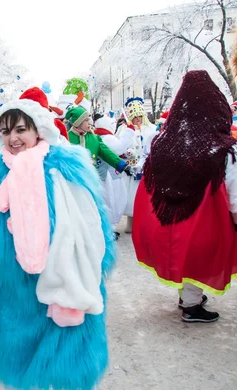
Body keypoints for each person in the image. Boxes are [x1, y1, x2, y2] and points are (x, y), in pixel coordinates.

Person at [0, 89, 115, 390]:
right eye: (5, 132)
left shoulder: (67, 168)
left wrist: (87, 274)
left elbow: (93, 226)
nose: (13, 139)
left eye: (20, 130)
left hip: (66, 289)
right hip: (16, 292)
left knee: (71, 378)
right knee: (23, 378)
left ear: (38, 129)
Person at [133, 70, 237, 323]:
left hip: (169, 215)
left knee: (182, 254)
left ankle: (188, 297)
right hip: (206, 216)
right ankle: (190, 306)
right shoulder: (222, 148)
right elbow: (233, 185)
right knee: (199, 255)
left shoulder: (162, 143)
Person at [118, 97, 156, 233]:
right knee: (130, 197)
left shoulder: (150, 130)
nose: (137, 119)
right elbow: (120, 147)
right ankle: (130, 222)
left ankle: (144, 223)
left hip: (145, 168)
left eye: (139, 116)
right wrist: (127, 153)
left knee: (144, 197)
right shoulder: (125, 130)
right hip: (131, 169)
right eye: (135, 117)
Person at [93, 114, 134, 238]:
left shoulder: (99, 136)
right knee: (113, 200)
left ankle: (109, 228)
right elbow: (119, 148)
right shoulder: (107, 138)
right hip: (110, 175)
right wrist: (129, 131)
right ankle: (109, 228)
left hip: (107, 174)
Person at [65, 106, 128, 174]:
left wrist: (122, 166)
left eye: (88, 119)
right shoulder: (66, 138)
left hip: (91, 179)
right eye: (86, 120)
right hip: (72, 179)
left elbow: (107, 153)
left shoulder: (94, 138)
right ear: (78, 122)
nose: (89, 122)